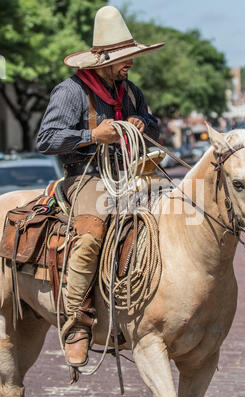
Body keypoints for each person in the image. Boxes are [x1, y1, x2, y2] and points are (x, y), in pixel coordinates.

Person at [36, 6, 164, 368]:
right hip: (86, 177)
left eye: (131, 57)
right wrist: (93, 134)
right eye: (125, 59)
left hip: (130, 174)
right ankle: (75, 321)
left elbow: (154, 124)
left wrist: (141, 122)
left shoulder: (129, 91)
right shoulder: (71, 91)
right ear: (103, 61)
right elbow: (46, 139)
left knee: (177, 216)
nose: (131, 65)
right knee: (91, 233)